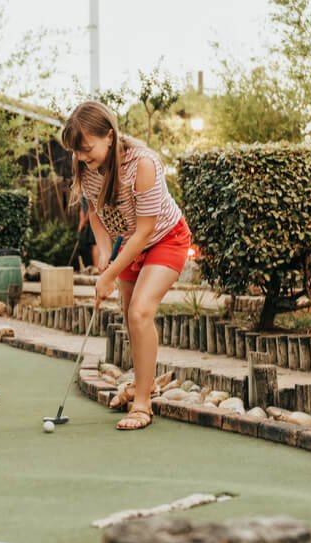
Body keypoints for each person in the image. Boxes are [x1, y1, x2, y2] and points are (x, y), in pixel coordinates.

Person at [61, 101, 192, 430]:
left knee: (140, 312)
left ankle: (143, 404)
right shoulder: (88, 167)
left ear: (109, 135)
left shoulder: (142, 164)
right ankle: (143, 384)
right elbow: (95, 214)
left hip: (165, 238)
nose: (81, 157)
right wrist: (105, 253)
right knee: (130, 315)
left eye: (87, 149)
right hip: (129, 244)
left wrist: (109, 273)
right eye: (77, 151)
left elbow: (146, 229)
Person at [77, 195, 100, 273]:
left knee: (95, 244)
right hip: (89, 221)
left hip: (95, 219)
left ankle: (97, 268)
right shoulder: (81, 193)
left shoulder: (89, 191)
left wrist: (84, 221)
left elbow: (91, 208)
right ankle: (95, 266)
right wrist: (81, 223)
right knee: (91, 244)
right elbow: (82, 210)